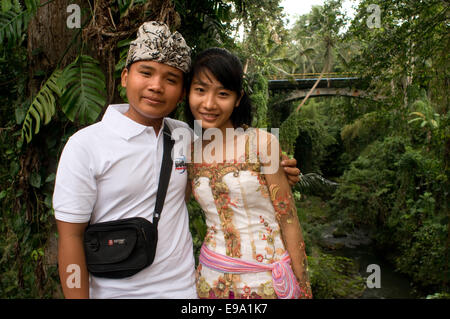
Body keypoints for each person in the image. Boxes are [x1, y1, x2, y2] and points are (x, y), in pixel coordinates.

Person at [53, 21, 300, 299]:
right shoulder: (85, 146)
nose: (156, 86)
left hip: (184, 291)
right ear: (124, 77)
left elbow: (239, 162)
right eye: (145, 73)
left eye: (170, 79)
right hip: (114, 293)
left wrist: (281, 169)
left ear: (182, 91)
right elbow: (71, 237)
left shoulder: (185, 137)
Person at [185, 47, 312, 299]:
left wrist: (305, 287)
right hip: (210, 283)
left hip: (268, 284)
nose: (209, 103)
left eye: (222, 94)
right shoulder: (188, 152)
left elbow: (289, 221)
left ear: (238, 98)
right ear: (188, 92)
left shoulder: (262, 144)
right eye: (200, 90)